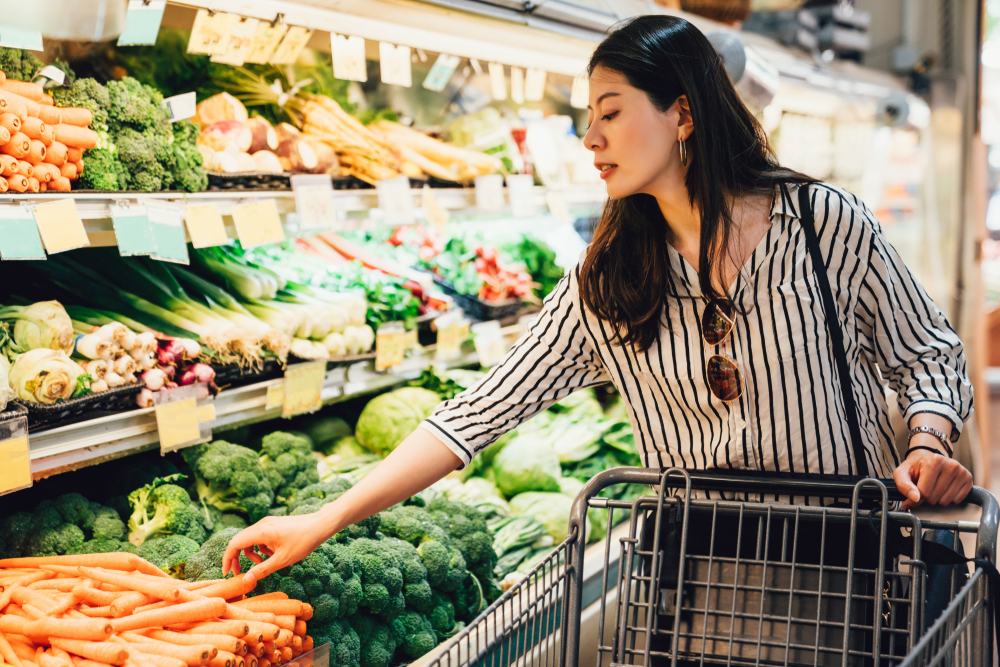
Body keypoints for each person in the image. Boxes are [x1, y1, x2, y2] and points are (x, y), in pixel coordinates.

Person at [222, 15, 974, 586]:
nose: (590, 137)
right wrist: (325, 518)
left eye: (610, 112)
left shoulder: (822, 225)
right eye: (589, 117)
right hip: (702, 575)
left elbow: (928, 354)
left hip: (847, 566)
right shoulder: (609, 279)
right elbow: (480, 410)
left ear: (681, 114)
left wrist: (928, 445)